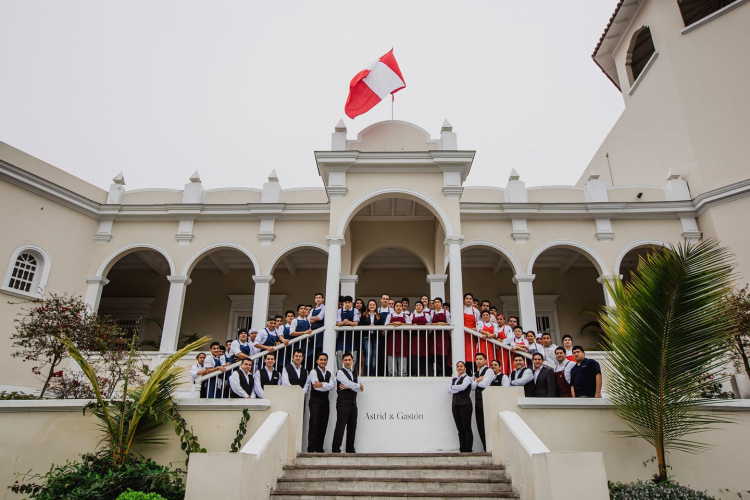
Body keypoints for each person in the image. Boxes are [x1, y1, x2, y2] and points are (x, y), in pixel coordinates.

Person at [332, 352, 363, 454]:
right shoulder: (340, 372)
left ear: (352, 361)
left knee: (352, 427)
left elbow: (361, 389)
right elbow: (348, 383)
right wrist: (355, 385)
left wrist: (351, 386)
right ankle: (336, 449)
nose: (348, 362)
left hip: (353, 403)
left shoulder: (354, 374)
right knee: (340, 426)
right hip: (343, 403)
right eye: (345, 360)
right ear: (342, 361)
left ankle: (350, 449)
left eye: (349, 360)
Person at [307, 352, 335, 453]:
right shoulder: (313, 372)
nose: (323, 361)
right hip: (315, 400)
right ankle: (311, 448)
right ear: (317, 361)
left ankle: (319, 448)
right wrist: (326, 385)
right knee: (314, 424)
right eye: (321, 359)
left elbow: (332, 386)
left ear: (327, 361)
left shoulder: (329, 373)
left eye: (325, 360)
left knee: (323, 424)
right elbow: (315, 386)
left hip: (325, 401)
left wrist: (322, 384)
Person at [448, 361, 473, 453]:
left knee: (466, 427)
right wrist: (456, 388)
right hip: (455, 404)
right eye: (458, 366)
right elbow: (448, 390)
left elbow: (463, 387)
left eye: (461, 366)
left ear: (465, 368)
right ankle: (462, 448)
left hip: (465, 404)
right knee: (460, 428)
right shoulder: (454, 379)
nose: (459, 368)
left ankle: (468, 449)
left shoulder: (467, 378)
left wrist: (453, 387)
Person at [472, 353, 493, 451]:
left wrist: (477, 382)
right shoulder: (476, 373)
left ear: (485, 360)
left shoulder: (489, 370)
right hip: (478, 399)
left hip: (485, 398)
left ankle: (489, 446)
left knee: (487, 423)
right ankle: (485, 446)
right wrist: (478, 380)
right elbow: (472, 387)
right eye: (477, 359)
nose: (478, 361)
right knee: (480, 423)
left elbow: (485, 384)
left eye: (480, 359)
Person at [359, 299, 384, 376]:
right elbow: (360, 325)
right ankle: (367, 373)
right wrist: (368, 326)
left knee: (374, 356)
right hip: (367, 337)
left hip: (376, 337)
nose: (372, 306)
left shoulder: (379, 315)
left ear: (376, 306)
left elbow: (382, 326)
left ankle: (372, 374)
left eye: (373, 305)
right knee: (369, 354)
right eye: (370, 305)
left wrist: (375, 327)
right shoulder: (364, 314)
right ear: (368, 306)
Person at [385, 301, 409, 376]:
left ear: (402, 308)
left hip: (403, 339)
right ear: (394, 307)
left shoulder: (406, 316)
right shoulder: (390, 315)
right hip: (392, 339)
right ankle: (392, 374)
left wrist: (401, 324)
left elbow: (409, 325)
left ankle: (403, 374)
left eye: (400, 306)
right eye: (397, 306)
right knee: (391, 355)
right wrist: (393, 324)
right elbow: (385, 325)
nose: (398, 307)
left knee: (403, 356)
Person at [429, 297, 451, 376]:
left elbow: (449, 323)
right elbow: (430, 324)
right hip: (435, 336)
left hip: (443, 336)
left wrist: (438, 323)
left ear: (441, 304)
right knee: (435, 355)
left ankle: (443, 372)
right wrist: (440, 323)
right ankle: (437, 373)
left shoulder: (446, 312)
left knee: (444, 355)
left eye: (438, 302)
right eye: (435, 302)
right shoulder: (432, 313)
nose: (436, 304)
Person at [336, 295, 360, 368]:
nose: (347, 304)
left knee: (353, 354)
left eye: (349, 302)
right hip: (342, 336)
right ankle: (341, 369)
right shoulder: (339, 311)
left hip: (352, 336)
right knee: (340, 352)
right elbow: (337, 323)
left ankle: (351, 370)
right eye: (345, 302)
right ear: (343, 303)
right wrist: (343, 323)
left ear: (351, 304)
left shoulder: (355, 310)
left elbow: (356, 323)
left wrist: (348, 322)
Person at [462, 293, 481, 375]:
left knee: (472, 353)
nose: (469, 300)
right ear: (464, 300)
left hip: (472, 336)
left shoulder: (476, 311)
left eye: (470, 298)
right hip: (463, 335)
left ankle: (472, 371)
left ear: (472, 301)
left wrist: (476, 329)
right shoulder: (460, 309)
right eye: (467, 298)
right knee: (463, 352)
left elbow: (478, 322)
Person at [410, 301, 430, 376]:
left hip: (424, 338)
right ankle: (414, 372)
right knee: (414, 354)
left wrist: (428, 325)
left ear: (422, 307)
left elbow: (430, 325)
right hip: (415, 338)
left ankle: (423, 373)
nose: (418, 306)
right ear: (415, 307)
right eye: (417, 305)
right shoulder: (412, 315)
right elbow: (409, 325)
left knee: (424, 354)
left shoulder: (427, 315)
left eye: (420, 305)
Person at [307, 293, 326, 367]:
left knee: (319, 349)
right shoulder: (313, 309)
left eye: (320, 297)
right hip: (313, 332)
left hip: (320, 332)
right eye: (316, 298)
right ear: (315, 300)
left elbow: (320, 317)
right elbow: (308, 320)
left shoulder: (324, 308)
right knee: (313, 350)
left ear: (323, 299)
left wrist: (312, 318)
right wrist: (314, 318)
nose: (318, 299)